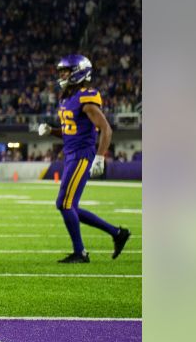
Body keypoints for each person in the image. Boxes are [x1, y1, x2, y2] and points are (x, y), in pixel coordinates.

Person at [36, 55, 132, 263]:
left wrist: (99, 157)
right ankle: (117, 233)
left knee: (64, 203)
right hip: (71, 154)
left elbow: (106, 129)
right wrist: (51, 130)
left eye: (66, 71)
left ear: (79, 72)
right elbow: (69, 132)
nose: (61, 75)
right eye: (61, 71)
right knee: (70, 205)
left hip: (82, 155)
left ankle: (80, 252)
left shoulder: (85, 98)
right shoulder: (67, 98)